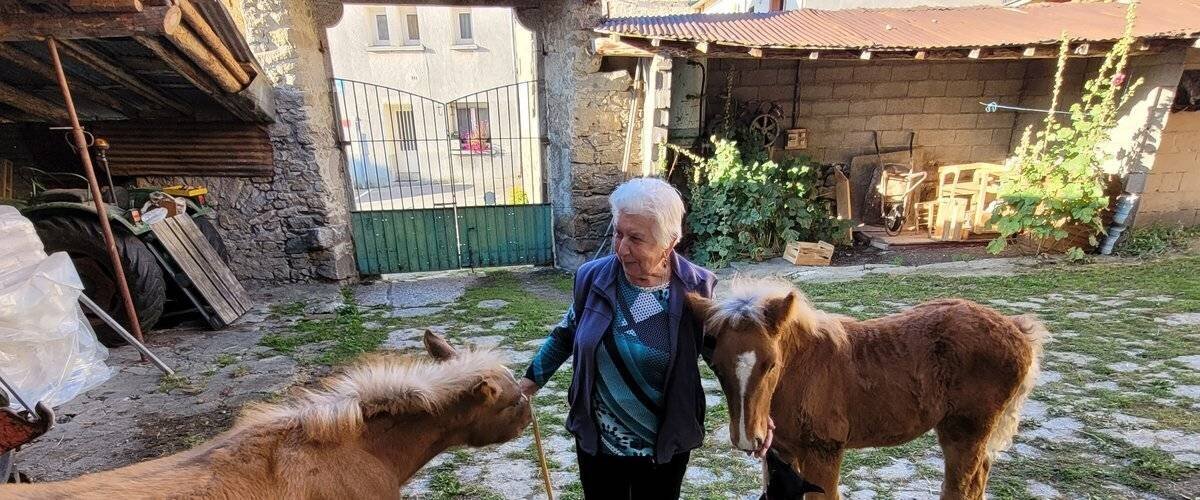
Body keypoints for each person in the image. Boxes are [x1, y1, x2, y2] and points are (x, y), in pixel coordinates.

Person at [518, 178, 771, 499]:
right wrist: (527, 386)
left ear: (670, 242)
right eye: (618, 233)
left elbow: (728, 360)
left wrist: (759, 414)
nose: (622, 248)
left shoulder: (695, 289)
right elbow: (566, 335)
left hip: (661, 448)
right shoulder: (593, 278)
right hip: (599, 442)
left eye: (636, 238)